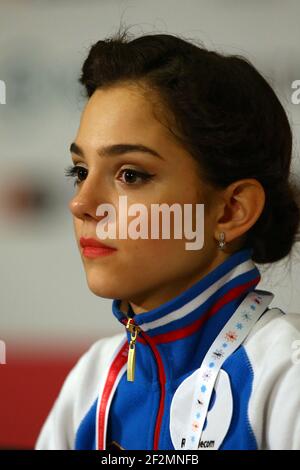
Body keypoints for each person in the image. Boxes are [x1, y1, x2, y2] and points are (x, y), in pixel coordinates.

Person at [35, 26, 300, 450]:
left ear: (232, 210)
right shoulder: (92, 379)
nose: (82, 204)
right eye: (80, 172)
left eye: (130, 175)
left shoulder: (287, 371)